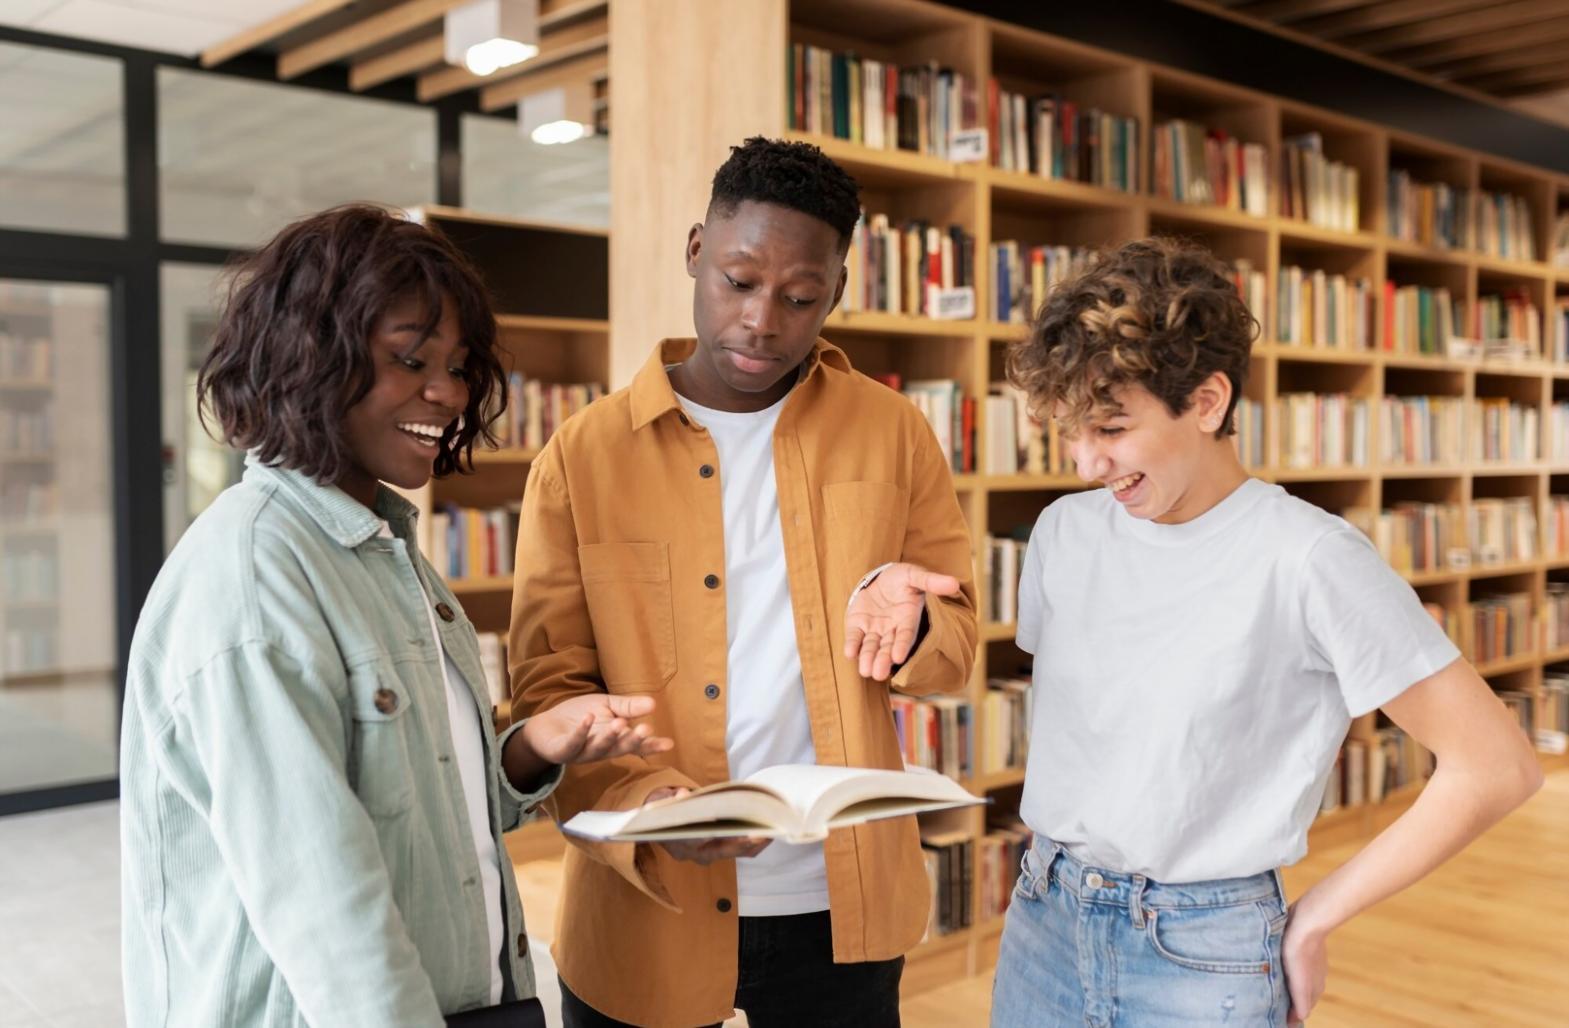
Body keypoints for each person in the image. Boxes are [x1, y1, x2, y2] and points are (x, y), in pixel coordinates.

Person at [120, 204, 670, 1027]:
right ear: (307, 358)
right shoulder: (255, 579)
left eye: (457, 364)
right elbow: (324, 907)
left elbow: (425, 802)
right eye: (409, 360)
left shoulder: (383, 546)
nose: (447, 393)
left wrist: (528, 751)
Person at [989, 236, 1544, 1027]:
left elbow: (1495, 766)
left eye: (1109, 429)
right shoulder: (1062, 533)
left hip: (1201, 949)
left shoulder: (1309, 557)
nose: (1083, 463)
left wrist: (1315, 918)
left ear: (1207, 402)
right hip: (1043, 915)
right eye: (1067, 431)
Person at [510, 137, 979, 1027]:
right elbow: (549, 689)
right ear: (695, 252)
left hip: (839, 911)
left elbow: (955, 653)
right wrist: (646, 803)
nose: (763, 320)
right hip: (646, 910)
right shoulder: (583, 454)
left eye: (800, 298)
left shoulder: (894, 434)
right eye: (738, 281)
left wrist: (916, 626)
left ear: (835, 292)